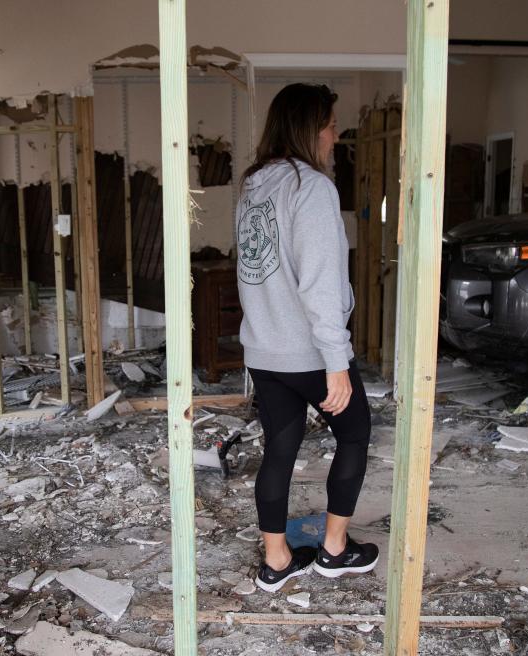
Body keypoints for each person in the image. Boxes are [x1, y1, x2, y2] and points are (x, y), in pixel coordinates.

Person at [236, 83, 378, 593]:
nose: (335, 136)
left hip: (265, 351)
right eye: (330, 125)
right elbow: (321, 282)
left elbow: (256, 273)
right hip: (310, 353)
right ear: (308, 129)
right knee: (355, 433)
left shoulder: (254, 185)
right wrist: (336, 360)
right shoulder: (312, 189)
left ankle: (276, 561)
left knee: (280, 448)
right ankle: (334, 551)